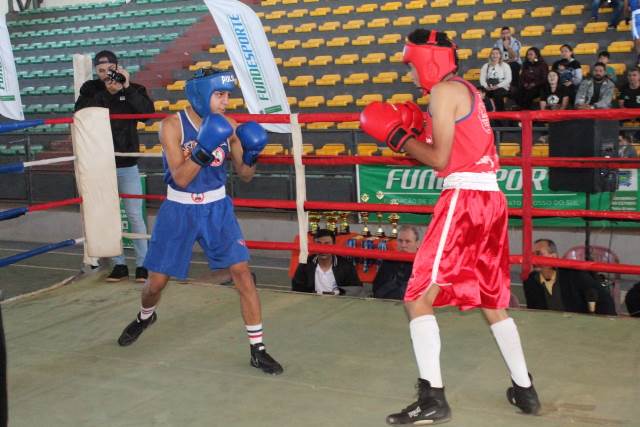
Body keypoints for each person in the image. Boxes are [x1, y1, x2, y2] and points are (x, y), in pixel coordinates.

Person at [360, 29, 540, 425]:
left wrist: (396, 135)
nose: (409, 73)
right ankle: (525, 390)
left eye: (410, 64)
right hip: (491, 200)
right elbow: (448, 152)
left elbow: (440, 160)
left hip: (465, 201)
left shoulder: (443, 92)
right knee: (492, 300)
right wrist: (412, 136)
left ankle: (433, 400)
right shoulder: (466, 91)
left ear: (426, 59)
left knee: (417, 295)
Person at [116, 68, 283, 375]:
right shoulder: (171, 126)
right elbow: (179, 178)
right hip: (179, 210)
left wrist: (254, 154)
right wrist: (204, 149)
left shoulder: (230, 126)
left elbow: (245, 176)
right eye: (219, 95)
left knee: (242, 273)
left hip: (217, 207)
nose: (225, 102)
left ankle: (257, 349)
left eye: (227, 95)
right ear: (200, 95)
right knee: (156, 284)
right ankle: (145, 316)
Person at [74, 50, 154, 283]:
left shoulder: (134, 88)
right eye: (100, 71)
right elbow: (80, 114)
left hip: (127, 162)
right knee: (108, 215)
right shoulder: (91, 89)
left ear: (118, 68)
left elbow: (148, 114)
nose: (105, 75)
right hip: (100, 162)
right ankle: (119, 265)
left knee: (134, 215)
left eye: (109, 71)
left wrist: (126, 88)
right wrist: (108, 94)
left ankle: (143, 265)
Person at [523, 239, 616, 315]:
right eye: (532, 255)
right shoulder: (530, 282)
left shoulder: (574, 274)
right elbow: (534, 314)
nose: (533, 259)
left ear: (553, 256)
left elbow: (605, 301)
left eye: (538, 254)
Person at [291, 229, 362, 295]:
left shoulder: (346, 265)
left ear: (333, 245)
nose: (323, 248)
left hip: (338, 303)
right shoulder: (305, 264)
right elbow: (297, 288)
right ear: (314, 245)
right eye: (319, 243)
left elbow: (356, 290)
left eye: (327, 243)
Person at [372, 225, 420, 300]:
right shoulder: (389, 260)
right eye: (400, 241)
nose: (403, 245)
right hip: (386, 305)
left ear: (417, 243)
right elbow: (376, 289)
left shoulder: (423, 263)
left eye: (408, 241)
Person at [625, 0, 640, 64]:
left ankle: (639, 59)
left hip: (635, 16)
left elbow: (625, 8)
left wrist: (627, 17)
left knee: (637, 40)